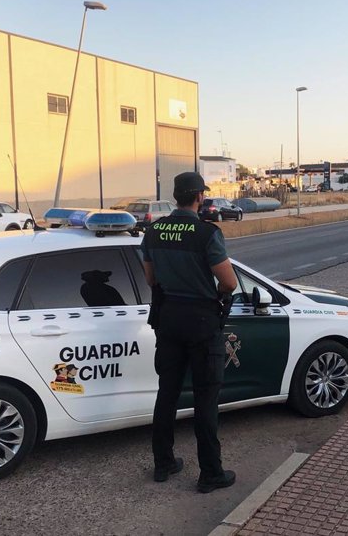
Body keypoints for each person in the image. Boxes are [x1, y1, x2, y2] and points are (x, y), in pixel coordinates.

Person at [141, 171, 238, 493]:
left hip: (168, 320)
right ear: (199, 196)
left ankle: (163, 462)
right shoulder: (206, 233)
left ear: (175, 195)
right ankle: (210, 473)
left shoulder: (153, 231)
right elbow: (229, 283)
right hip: (201, 323)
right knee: (206, 398)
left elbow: (151, 280)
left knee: (167, 393)